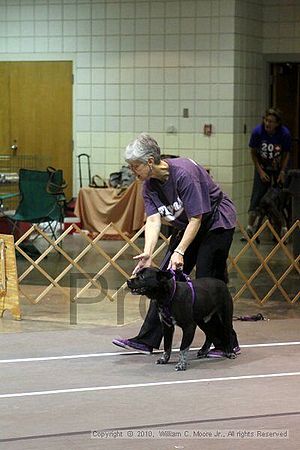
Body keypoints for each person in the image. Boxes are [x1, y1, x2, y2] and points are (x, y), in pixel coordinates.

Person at [112, 133, 238, 357]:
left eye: (135, 167)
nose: (133, 172)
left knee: (209, 280)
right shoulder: (148, 186)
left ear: (150, 161)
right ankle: (147, 340)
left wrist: (180, 251)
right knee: (162, 279)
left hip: (215, 222)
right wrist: (148, 254)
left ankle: (226, 342)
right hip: (189, 226)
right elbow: (153, 220)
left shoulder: (184, 174)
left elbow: (197, 218)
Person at [243, 107, 291, 240]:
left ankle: (282, 228)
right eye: (266, 120)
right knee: (257, 195)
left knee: (278, 200)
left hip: (277, 168)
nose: (267, 124)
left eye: (271, 121)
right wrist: (260, 171)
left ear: (277, 123)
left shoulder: (284, 134)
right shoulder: (258, 132)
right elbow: (253, 152)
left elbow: (286, 153)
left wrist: (282, 171)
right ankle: (250, 228)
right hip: (262, 167)